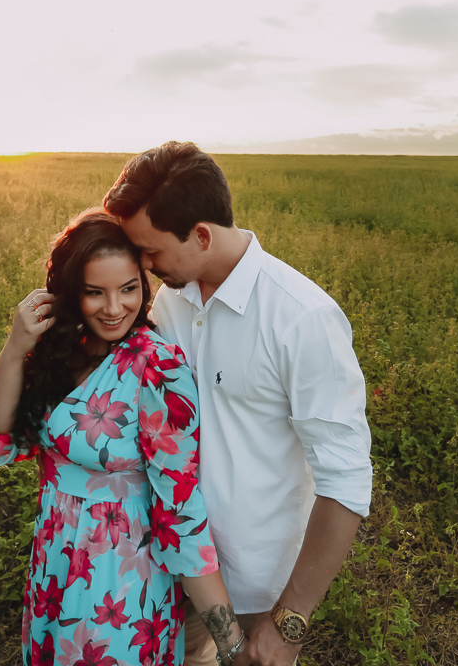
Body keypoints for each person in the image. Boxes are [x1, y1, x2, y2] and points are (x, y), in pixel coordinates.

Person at [103, 143, 373, 666]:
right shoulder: (169, 299)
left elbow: (346, 481)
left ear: (201, 235)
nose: (143, 265)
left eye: (151, 251)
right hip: (171, 566)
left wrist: (288, 625)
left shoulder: (302, 318)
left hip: (257, 591)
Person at [0, 208, 248, 666]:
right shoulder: (56, 353)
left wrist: (231, 642)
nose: (115, 308)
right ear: (69, 292)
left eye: (129, 289)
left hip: (122, 581)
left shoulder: (157, 368)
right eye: (94, 292)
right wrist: (17, 344)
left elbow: (179, 510)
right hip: (55, 564)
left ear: (145, 283)